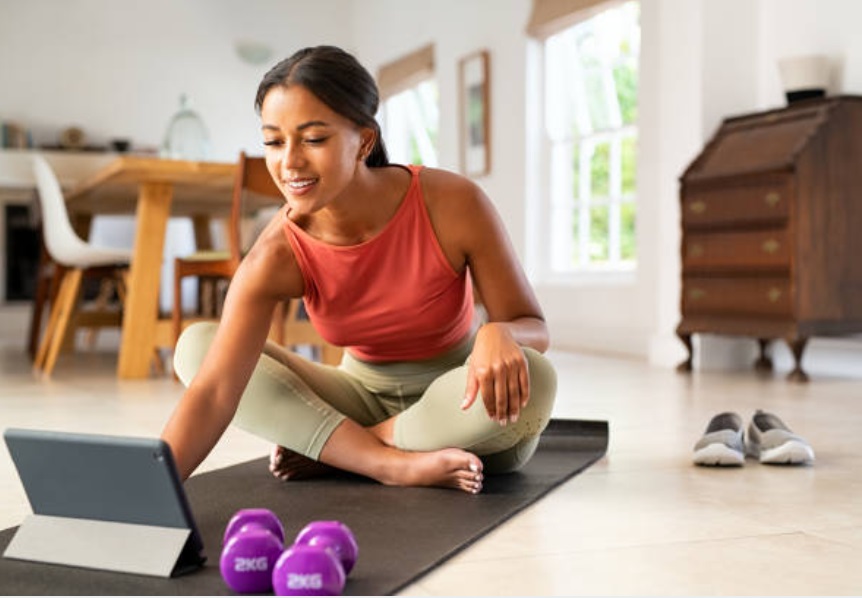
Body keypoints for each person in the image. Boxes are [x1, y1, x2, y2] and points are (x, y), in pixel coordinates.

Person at [161, 45, 557, 495]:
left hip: (459, 403)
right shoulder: (276, 253)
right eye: (273, 141)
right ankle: (385, 463)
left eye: (312, 139)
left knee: (537, 380)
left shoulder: (453, 203)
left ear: (364, 141)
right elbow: (214, 394)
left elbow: (534, 327)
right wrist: (150, 493)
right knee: (196, 348)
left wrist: (499, 333)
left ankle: (349, 449)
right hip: (357, 396)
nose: (289, 162)